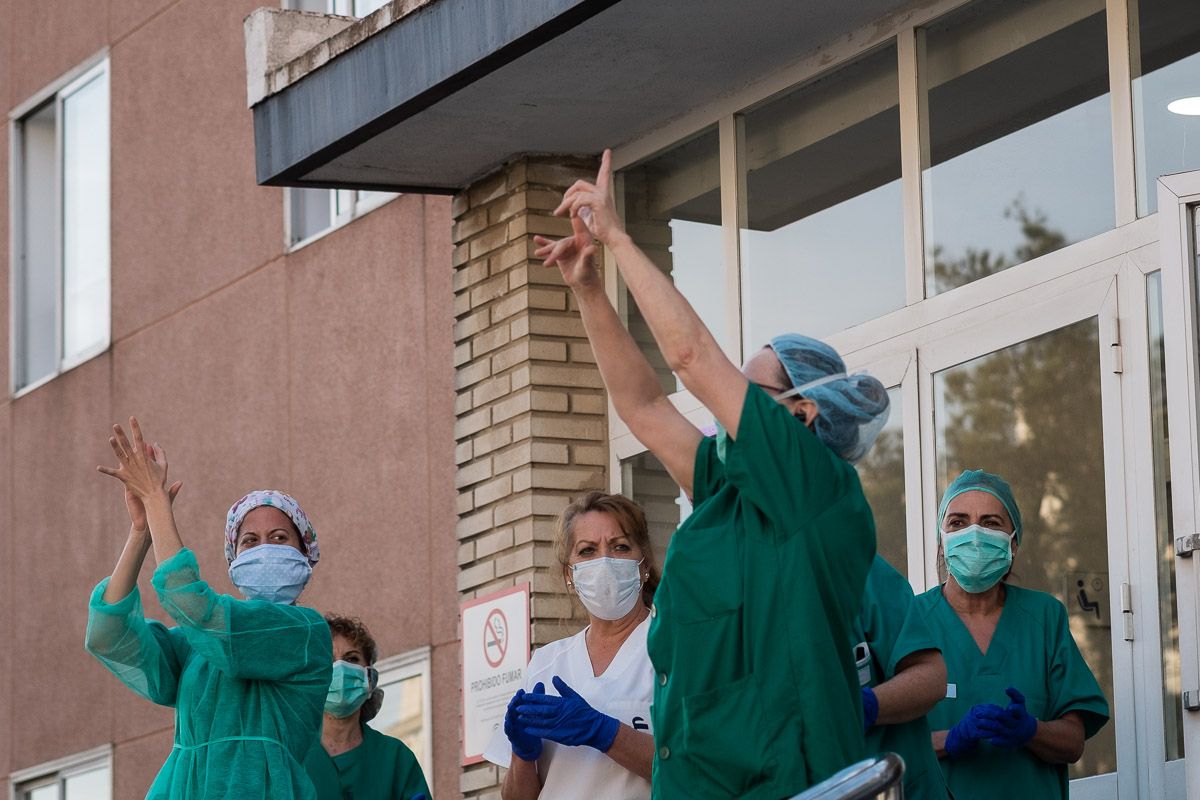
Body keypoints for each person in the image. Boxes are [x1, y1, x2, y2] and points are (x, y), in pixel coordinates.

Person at [533, 151, 891, 797]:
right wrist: (587, 288)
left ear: (803, 414)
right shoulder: (727, 490)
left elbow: (690, 356)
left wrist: (617, 236)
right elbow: (642, 406)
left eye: (750, 395)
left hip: (789, 783)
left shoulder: (815, 491)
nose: (731, 407)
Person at [86, 418, 332, 799]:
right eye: (250, 540)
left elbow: (196, 607)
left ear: (305, 552)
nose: (265, 547)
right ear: (233, 560)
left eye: (279, 538)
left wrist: (156, 501)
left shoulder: (305, 633)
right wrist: (141, 534)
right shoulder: (197, 646)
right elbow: (110, 636)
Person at [913, 469, 1110, 800]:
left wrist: (1032, 730)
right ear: (942, 542)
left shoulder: (1044, 618)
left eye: (990, 523)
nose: (974, 535)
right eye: (958, 523)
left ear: (1013, 543)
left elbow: (1073, 741)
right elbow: (878, 743)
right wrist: (949, 740)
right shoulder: (911, 621)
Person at [484, 492, 658, 799]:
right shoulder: (546, 663)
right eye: (587, 551)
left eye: (620, 547)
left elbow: (695, 767)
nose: (604, 561)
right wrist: (522, 754)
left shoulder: (672, 650)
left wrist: (602, 732)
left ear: (644, 564)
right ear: (570, 574)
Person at [304, 615, 431, 800]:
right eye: (328, 660)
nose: (340, 668)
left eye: (352, 658)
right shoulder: (291, 756)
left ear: (369, 677)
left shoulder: (394, 758)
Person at [855, 556, 950, 799]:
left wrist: (867, 707)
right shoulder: (748, 591)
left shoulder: (860, 570)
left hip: (897, 786)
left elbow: (931, 675)